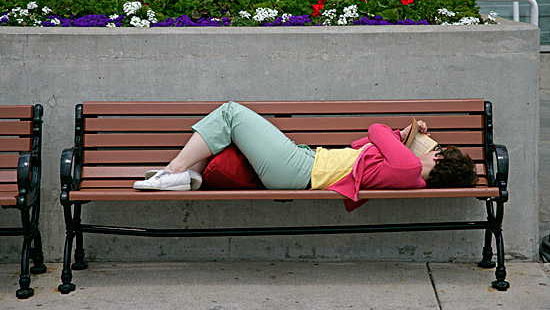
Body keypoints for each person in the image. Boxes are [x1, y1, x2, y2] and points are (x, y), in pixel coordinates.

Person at [133, 102, 478, 208]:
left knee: (231, 112)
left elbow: (375, 129)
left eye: (437, 150)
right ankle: (185, 175)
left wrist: (402, 134)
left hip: (298, 169)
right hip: (301, 165)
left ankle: (175, 170)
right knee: (230, 122)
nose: (431, 149)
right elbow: (362, 146)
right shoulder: (409, 175)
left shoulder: (409, 167)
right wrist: (403, 136)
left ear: (440, 162)